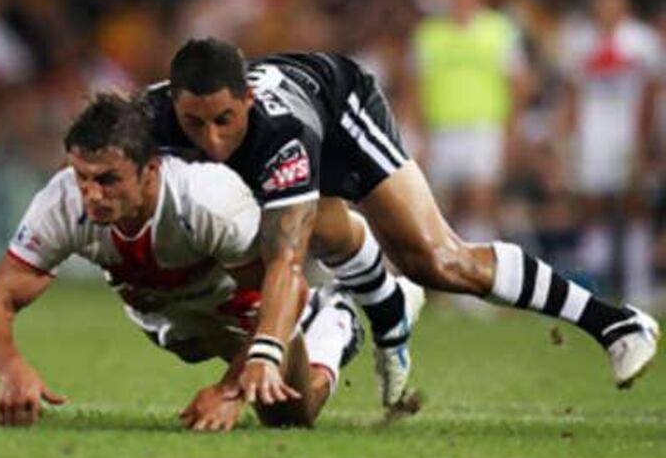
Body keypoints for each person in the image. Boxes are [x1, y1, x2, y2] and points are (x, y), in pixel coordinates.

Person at [144, 37, 660, 406]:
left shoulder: (281, 135)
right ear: (172, 104)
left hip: (338, 106)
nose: (210, 140)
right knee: (297, 225)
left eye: (223, 121)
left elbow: (287, 262)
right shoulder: (147, 117)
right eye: (194, 123)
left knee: (438, 261)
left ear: (247, 101)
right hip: (285, 141)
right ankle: (386, 303)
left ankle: (615, 322)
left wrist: (264, 351)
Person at [0, 92, 372, 429]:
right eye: (81, 176)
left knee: (288, 415)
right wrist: (10, 368)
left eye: (108, 179)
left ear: (149, 172)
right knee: (191, 345)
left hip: (240, 308)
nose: (91, 194)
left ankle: (333, 323)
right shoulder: (62, 202)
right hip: (170, 319)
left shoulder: (205, 202)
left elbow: (289, 288)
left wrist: (229, 390)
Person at [556, 0, 663, 305]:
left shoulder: (641, 41)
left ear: (624, 4)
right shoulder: (580, 40)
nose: (606, 5)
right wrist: (566, 140)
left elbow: (650, 94)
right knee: (593, 207)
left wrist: (644, 142)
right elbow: (572, 94)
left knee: (635, 206)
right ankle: (594, 286)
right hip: (592, 133)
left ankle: (638, 286)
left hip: (626, 131)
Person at [406, 0, 527, 245]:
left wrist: (512, 130)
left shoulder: (499, 30)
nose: (460, 0)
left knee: (481, 197)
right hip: (441, 128)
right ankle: (448, 265)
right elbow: (414, 86)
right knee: (446, 202)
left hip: (484, 125)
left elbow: (518, 83)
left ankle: (482, 263)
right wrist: (418, 132)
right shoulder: (428, 35)